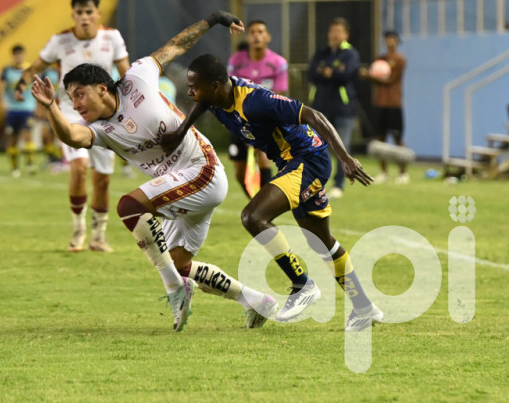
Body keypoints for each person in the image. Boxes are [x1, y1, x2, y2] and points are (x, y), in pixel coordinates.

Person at [30, 11, 278, 332]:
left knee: (129, 207)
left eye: (79, 94)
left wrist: (213, 19)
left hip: (202, 170)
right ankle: (256, 301)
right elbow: (71, 136)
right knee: (180, 265)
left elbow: (175, 46)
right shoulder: (103, 129)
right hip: (180, 188)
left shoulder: (137, 77)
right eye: (70, 98)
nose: (75, 105)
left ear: (103, 88)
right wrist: (51, 107)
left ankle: (175, 289)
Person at [163, 52, 383, 332]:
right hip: (292, 162)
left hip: (307, 160)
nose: (190, 91)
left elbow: (313, 115)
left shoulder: (255, 101)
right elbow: (201, 104)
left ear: (216, 85)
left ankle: (302, 285)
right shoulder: (215, 98)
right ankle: (365, 308)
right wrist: (181, 131)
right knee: (322, 241)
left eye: (195, 86)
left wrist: (346, 158)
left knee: (252, 217)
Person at [15, 0, 129, 253]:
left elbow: (127, 73)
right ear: (73, 15)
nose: (85, 18)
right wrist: (22, 82)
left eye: (89, 12)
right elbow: (36, 66)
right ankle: (78, 229)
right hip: (70, 113)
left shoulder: (111, 37)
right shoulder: (61, 40)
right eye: (80, 13)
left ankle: (98, 235)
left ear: (98, 14)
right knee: (78, 169)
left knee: (102, 179)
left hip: (103, 117)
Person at [227, 20, 288, 198]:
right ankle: (256, 202)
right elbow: (229, 92)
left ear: (267, 37)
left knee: (263, 156)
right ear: (248, 37)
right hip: (238, 121)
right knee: (239, 174)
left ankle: (263, 206)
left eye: (261, 32)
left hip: (264, 122)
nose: (256, 36)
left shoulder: (278, 63)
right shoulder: (236, 62)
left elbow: (277, 97)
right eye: (252, 32)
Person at [308, 17, 360, 199]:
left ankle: (339, 184)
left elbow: (345, 75)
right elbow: (312, 73)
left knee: (341, 148)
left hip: (342, 109)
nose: (334, 34)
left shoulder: (351, 54)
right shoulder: (322, 52)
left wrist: (329, 72)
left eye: (339, 31)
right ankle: (315, 182)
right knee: (314, 146)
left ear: (346, 34)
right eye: (332, 31)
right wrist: (330, 72)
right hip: (320, 108)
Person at [359, 30, 408, 184]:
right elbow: (376, 79)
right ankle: (383, 171)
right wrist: (368, 76)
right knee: (380, 138)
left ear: (397, 41)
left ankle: (403, 172)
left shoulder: (400, 60)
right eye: (387, 39)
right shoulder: (380, 59)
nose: (389, 42)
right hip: (379, 103)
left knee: (397, 137)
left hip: (394, 103)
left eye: (392, 39)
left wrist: (370, 76)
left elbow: (391, 80)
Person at [0, 44, 38, 178]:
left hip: (27, 108)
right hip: (12, 109)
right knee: (13, 138)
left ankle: (30, 164)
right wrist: (2, 103)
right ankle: (14, 167)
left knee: (27, 135)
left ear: (24, 55)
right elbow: (0, 89)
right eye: (16, 55)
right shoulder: (7, 71)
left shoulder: (30, 70)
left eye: (21, 54)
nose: (19, 57)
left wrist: (39, 105)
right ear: (13, 56)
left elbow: (37, 86)